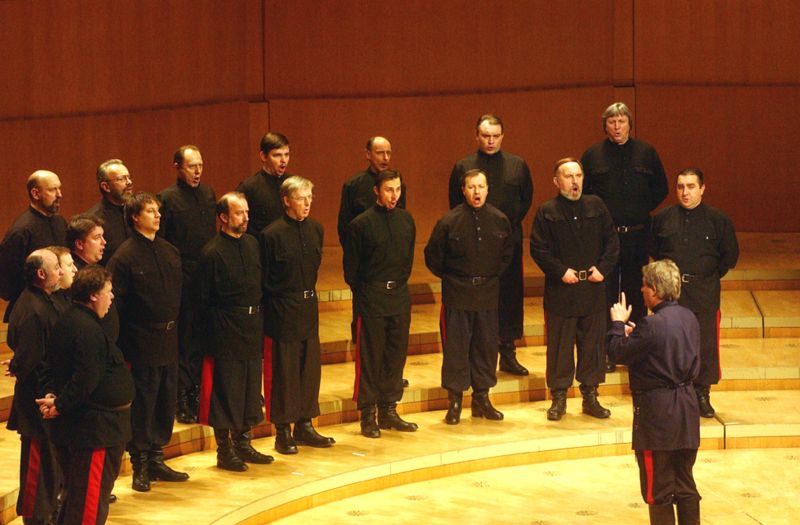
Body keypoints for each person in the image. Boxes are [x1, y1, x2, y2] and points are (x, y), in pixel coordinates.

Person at [37, 266, 135, 525]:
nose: (111, 297)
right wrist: (58, 404)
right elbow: (85, 380)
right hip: (95, 431)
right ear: (93, 295)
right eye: (108, 292)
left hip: (95, 428)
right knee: (87, 506)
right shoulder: (86, 329)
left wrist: (55, 398)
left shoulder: (71, 320)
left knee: (77, 500)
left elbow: (50, 367)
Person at [608, 260, 701, 525]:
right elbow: (665, 346)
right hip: (686, 412)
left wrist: (617, 325)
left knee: (657, 491)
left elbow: (616, 353)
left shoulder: (652, 325)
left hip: (659, 418)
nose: (641, 289)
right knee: (685, 486)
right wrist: (638, 336)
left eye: (645, 285)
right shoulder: (689, 317)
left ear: (656, 291)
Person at [107, 192, 188, 492]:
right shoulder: (124, 256)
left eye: (158, 211)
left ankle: (157, 456)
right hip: (140, 341)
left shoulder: (169, 251)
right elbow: (118, 305)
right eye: (150, 211)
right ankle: (139, 462)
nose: (157, 215)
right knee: (144, 403)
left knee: (166, 400)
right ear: (134, 217)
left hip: (169, 339)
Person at [581, 102, 668, 372]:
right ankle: (609, 350)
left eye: (621, 121)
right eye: (611, 122)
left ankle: (636, 349)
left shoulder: (646, 153)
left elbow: (661, 188)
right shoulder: (593, 155)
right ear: (604, 125)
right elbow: (584, 194)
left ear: (629, 123)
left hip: (637, 235)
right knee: (605, 293)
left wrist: (638, 210)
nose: (616, 127)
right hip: (605, 237)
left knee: (637, 291)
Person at [530, 158, 619, 421]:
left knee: (592, 346)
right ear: (557, 182)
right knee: (560, 346)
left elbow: (611, 242)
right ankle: (559, 398)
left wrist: (603, 269)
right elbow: (538, 249)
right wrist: (560, 271)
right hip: (562, 291)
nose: (575, 181)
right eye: (568, 177)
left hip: (592, 290)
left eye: (578, 175)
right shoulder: (547, 211)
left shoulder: (597, 206)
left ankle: (590, 396)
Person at [425, 169, 512, 424]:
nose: (476, 192)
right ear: (463, 190)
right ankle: (454, 402)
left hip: (487, 294)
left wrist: (489, 277)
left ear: (488, 189)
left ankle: (482, 398)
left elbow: (507, 255)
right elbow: (433, 257)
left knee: (486, 347)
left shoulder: (499, 219)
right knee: (457, 348)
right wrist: (454, 279)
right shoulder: (449, 221)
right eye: (471, 187)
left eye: (481, 187)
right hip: (458, 294)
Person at [448, 114, 533, 376]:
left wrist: (506, 227)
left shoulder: (517, 165)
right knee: (480, 300)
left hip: (508, 242)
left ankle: (507, 352)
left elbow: (526, 198)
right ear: (477, 136)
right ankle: (478, 357)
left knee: (510, 298)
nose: (491, 141)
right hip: (474, 246)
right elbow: (455, 202)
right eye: (486, 136)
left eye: (496, 136)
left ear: (502, 136)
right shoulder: (464, 166)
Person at [651, 168, 739, 418]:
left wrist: (706, 278)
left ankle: (702, 394)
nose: (685, 192)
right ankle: (671, 395)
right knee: (670, 344)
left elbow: (728, 257)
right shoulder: (663, 218)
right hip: (672, 294)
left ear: (702, 188)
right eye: (680, 187)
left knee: (705, 346)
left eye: (690, 186)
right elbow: (655, 252)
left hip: (704, 291)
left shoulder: (718, 220)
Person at [196, 192, 274, 471]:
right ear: (224, 217)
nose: (246, 217)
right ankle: (224, 450)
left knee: (249, 390)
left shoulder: (253, 244)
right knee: (225, 392)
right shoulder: (211, 253)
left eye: (247, 212)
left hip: (251, 328)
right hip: (224, 332)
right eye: (239, 213)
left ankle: (244, 443)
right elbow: (202, 301)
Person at [260, 176, 334, 454]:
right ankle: (283, 431)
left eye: (310, 198)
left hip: (307, 307)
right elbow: (265, 280)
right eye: (302, 198)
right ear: (287, 200)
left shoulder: (316, 229)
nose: (307, 203)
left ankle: (305, 424)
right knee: (284, 372)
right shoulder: (271, 235)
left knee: (308, 370)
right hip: (282, 309)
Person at [343, 170, 418, 438]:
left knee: (395, 355)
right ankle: (368, 414)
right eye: (388, 190)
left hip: (398, 296)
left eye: (397, 189)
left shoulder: (406, 220)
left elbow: (407, 260)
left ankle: (389, 409)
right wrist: (368, 294)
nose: (394, 195)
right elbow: (351, 271)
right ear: (377, 190)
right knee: (371, 357)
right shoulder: (361, 225)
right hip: (371, 298)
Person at [337, 136, 410, 388]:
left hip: (390, 273)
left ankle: (390, 382)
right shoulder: (354, 185)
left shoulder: (399, 189)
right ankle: (369, 387)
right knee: (368, 339)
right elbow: (345, 229)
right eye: (380, 152)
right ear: (368, 154)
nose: (385, 157)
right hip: (366, 274)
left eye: (389, 152)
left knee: (394, 341)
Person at [158, 145, 217, 424]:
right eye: (192, 166)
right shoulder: (167, 199)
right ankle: (181, 397)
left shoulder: (208, 194)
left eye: (200, 166)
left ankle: (198, 393)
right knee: (184, 339)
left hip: (205, 276)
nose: (197, 171)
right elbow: (165, 243)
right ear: (177, 167)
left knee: (202, 336)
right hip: (182, 277)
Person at [6, 249, 63, 525]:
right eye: (56, 268)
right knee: (37, 467)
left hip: (44, 398)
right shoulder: (33, 309)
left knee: (48, 465)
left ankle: (45, 513)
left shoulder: (41, 301)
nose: (61, 272)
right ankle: (36, 518)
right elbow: (30, 360)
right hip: (37, 402)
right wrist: (48, 397)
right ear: (41, 274)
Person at [0, 170, 67, 321]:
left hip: (59, 306)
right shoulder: (21, 231)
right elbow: (5, 280)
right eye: (52, 189)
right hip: (33, 312)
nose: (60, 194)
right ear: (36, 194)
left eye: (59, 188)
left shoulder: (60, 222)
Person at [67, 214, 120, 344]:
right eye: (97, 238)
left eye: (103, 236)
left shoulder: (93, 268)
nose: (104, 242)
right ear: (79, 244)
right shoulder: (75, 277)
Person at [237, 132, 292, 236]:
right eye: (277, 155)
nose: (283, 160)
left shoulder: (293, 184)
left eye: (287, 154)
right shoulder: (249, 187)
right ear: (263, 156)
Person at [85, 159, 134, 264]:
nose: (129, 182)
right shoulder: (92, 220)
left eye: (129, 177)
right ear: (106, 187)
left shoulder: (137, 210)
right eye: (122, 179)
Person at [49, 245, 77, 314]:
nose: (75, 269)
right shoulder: (51, 307)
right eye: (70, 265)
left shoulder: (67, 296)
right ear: (57, 269)